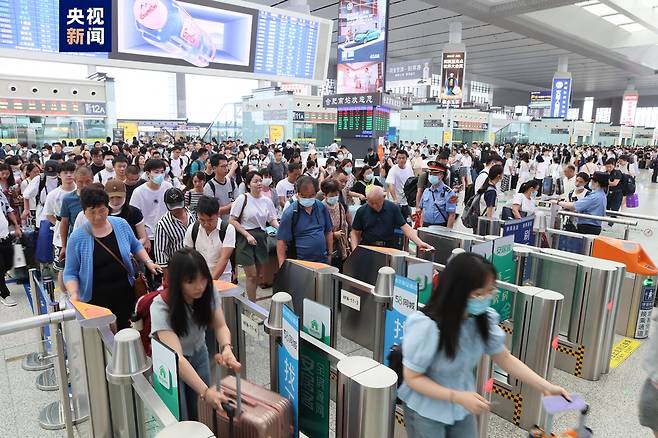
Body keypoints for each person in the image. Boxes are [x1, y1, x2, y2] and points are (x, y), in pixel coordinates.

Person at [400, 253, 569, 438]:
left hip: (461, 405)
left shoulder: (482, 320)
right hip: (426, 410)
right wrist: (456, 396)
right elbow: (412, 378)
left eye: (490, 291)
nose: (487, 298)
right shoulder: (427, 327)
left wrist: (546, 387)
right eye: (480, 294)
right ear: (457, 292)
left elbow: (504, 358)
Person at [150, 248, 240, 421]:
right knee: (180, 416)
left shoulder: (209, 292)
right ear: (178, 282)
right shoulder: (161, 307)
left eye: (203, 279)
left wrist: (226, 348)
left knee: (201, 412)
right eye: (191, 281)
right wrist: (206, 391)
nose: (200, 286)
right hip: (170, 367)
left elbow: (220, 326)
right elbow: (177, 358)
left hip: (199, 353)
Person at [63, 186, 161, 329]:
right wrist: (74, 293)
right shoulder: (77, 238)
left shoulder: (120, 224)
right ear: (84, 212)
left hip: (125, 293)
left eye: (102, 210)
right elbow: (70, 272)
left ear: (108, 208)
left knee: (127, 332)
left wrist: (149, 262)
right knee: (104, 339)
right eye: (92, 212)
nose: (98, 216)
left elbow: (136, 245)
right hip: (96, 298)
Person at [229, 171, 279, 301]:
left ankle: (252, 301)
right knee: (251, 275)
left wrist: (280, 228)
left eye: (260, 180)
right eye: (255, 181)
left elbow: (272, 219)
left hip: (261, 238)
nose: (259, 183)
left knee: (257, 275)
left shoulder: (267, 201)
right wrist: (246, 235)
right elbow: (232, 220)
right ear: (248, 185)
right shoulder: (242, 199)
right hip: (245, 238)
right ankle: (252, 305)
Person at [351, 186, 434, 251]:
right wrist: (355, 250)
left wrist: (419, 243)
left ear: (383, 198)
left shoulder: (392, 208)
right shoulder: (362, 211)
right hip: (368, 246)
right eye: (370, 203)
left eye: (376, 203)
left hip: (388, 247)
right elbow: (355, 233)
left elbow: (405, 228)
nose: (373, 205)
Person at [276, 175, 333, 267]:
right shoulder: (291, 213)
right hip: (300, 264)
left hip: (322, 261)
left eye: (311, 196)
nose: (307, 199)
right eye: (304, 196)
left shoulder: (320, 207)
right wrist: (282, 266)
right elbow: (281, 242)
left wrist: (330, 254)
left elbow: (328, 231)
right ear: (297, 194)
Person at [184, 196, 235, 282]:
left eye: (210, 220)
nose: (206, 224)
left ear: (218, 214)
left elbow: (224, 258)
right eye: (202, 220)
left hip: (223, 278)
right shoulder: (192, 229)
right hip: (199, 278)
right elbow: (188, 256)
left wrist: (210, 283)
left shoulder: (227, 229)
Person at [43, 161, 77, 289]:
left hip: (79, 232)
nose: (69, 175)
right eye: (65, 173)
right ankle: (63, 294)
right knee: (63, 267)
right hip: (60, 236)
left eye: (71, 172)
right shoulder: (53, 195)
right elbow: (48, 214)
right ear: (59, 175)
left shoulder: (80, 191)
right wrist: (60, 224)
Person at [155, 188, 195, 277]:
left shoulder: (193, 216)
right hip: (177, 269)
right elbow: (160, 253)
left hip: (195, 264)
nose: (176, 209)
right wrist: (167, 278)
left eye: (178, 205)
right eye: (173, 206)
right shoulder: (162, 225)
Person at [553, 171, 608, 235]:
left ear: (597, 182)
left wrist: (557, 202)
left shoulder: (594, 196)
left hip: (587, 227)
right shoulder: (601, 195)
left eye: (591, 181)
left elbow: (574, 206)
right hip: (592, 226)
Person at [417, 162, 457, 228]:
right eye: (430, 173)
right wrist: (421, 226)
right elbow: (423, 210)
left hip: (441, 227)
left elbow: (452, 215)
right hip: (426, 226)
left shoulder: (451, 193)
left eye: (435, 174)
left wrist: (448, 233)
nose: (431, 176)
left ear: (442, 175)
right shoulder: (426, 191)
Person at [321, 178, 349, 270]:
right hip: (325, 250)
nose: (335, 197)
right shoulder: (320, 208)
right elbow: (319, 230)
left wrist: (346, 247)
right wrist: (333, 235)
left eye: (336, 194)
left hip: (340, 249)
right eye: (331, 195)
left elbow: (344, 225)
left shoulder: (340, 206)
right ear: (325, 195)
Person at [0, 190, 22, 307]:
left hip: (5, 235)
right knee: (0, 266)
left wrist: (16, 226)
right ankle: (4, 294)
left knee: (9, 263)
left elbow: (8, 209)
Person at [203, 154, 236, 220]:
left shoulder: (232, 182)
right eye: (223, 166)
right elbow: (212, 211)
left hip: (233, 222)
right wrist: (231, 206)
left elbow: (238, 204)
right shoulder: (209, 186)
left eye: (226, 165)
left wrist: (223, 209)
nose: (226, 169)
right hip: (218, 224)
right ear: (214, 168)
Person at [386, 149, 415, 220]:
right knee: (395, 222)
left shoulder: (409, 168)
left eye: (403, 158)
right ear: (396, 159)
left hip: (406, 202)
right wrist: (395, 199)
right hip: (396, 202)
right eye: (399, 158)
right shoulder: (393, 170)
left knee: (407, 222)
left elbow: (412, 182)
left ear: (406, 159)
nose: (401, 160)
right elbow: (391, 184)